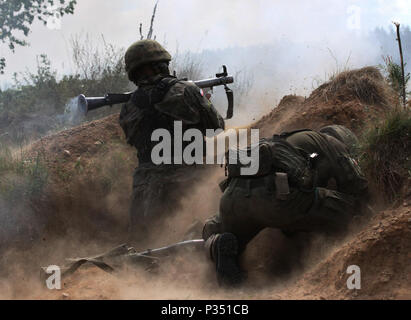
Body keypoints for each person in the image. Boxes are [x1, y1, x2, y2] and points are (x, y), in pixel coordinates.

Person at [202, 125, 369, 286]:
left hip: (232, 198)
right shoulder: (333, 144)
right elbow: (357, 186)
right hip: (275, 197)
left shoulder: (292, 141)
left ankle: (216, 243)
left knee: (227, 233)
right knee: (354, 210)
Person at [119, 40, 225, 241]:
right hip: (188, 183)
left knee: (142, 250)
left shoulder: (128, 106)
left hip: (145, 192)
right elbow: (216, 127)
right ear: (161, 64)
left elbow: (135, 140)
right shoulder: (187, 90)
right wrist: (204, 102)